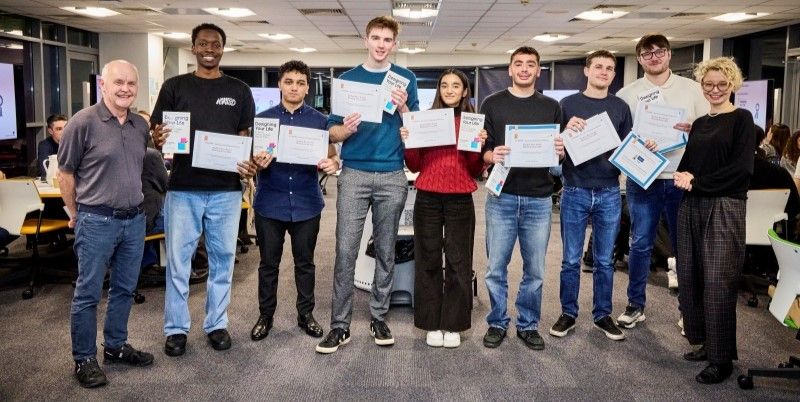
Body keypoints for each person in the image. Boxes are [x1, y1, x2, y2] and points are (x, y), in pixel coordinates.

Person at [151, 23, 265, 356]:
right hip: (183, 188)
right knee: (179, 262)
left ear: (222, 48)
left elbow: (246, 137)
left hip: (226, 191)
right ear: (194, 47)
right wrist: (159, 139)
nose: (209, 49)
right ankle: (175, 329)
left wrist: (249, 162)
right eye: (203, 44)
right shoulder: (175, 86)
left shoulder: (239, 90)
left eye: (215, 44)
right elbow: (160, 132)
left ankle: (216, 324)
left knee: (223, 260)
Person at [315, 15, 419, 354]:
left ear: (394, 44)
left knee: (386, 249)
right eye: (375, 38)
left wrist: (403, 105)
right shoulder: (347, 80)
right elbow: (331, 131)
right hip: (355, 173)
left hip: (392, 175)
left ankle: (378, 315)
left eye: (387, 40)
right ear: (366, 39)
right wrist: (347, 129)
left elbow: (416, 128)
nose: (381, 44)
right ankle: (340, 325)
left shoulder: (406, 78)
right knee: (345, 249)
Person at [57, 60, 153, 388]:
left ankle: (114, 346)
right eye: (118, 82)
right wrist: (74, 211)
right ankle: (83, 358)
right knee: (88, 293)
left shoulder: (141, 125)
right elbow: (65, 173)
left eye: (131, 83)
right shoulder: (81, 123)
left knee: (125, 289)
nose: (125, 88)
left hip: (134, 219)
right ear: (103, 85)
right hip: (96, 220)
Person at [615, 34, 709, 328]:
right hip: (643, 178)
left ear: (669, 55)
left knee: (684, 246)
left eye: (659, 52)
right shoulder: (627, 94)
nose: (654, 57)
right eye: (647, 53)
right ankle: (635, 305)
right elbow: (619, 138)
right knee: (641, 243)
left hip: (681, 179)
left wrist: (694, 129)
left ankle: (687, 311)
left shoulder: (693, 90)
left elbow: (709, 132)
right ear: (640, 58)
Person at [549, 50, 641, 342]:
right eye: (598, 67)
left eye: (610, 68)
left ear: (614, 74)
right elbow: (555, 148)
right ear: (586, 71)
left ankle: (603, 315)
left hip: (610, 191)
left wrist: (633, 151)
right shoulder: (567, 104)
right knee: (571, 259)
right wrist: (565, 131)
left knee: (604, 260)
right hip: (575, 188)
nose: (604, 72)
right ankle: (568, 314)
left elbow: (627, 148)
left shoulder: (620, 107)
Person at [673, 57, 754, 384]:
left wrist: (698, 182)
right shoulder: (702, 123)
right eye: (709, 84)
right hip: (693, 205)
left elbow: (742, 170)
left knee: (719, 284)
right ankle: (706, 344)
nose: (715, 89)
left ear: (732, 84)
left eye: (722, 84)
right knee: (691, 277)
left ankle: (722, 360)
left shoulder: (742, 119)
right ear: (702, 86)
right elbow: (689, 162)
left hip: (724, 207)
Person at [250, 60, 339, 342]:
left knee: (305, 264)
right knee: (268, 265)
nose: (294, 87)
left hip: (306, 203)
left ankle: (306, 315)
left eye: (300, 83)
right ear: (280, 84)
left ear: (307, 88)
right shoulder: (263, 119)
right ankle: (265, 317)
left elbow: (333, 155)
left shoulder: (318, 120)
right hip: (270, 203)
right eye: (289, 81)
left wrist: (331, 163)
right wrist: (256, 162)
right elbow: (251, 160)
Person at [480, 46, 563, 351]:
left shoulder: (552, 106)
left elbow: (559, 149)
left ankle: (528, 324)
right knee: (496, 267)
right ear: (510, 70)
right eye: (519, 64)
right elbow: (481, 147)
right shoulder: (492, 103)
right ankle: (497, 322)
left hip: (539, 199)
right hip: (502, 197)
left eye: (531, 64)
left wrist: (560, 151)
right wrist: (491, 154)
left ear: (538, 70)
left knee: (536, 269)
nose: (525, 69)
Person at [400, 69, 486, 349]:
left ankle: (454, 323)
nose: (449, 90)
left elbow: (474, 169)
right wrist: (408, 140)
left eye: (456, 86)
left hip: (461, 196)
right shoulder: (425, 120)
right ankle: (430, 322)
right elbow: (414, 165)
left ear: (464, 91)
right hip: (427, 195)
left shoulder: (471, 121)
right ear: (439, 90)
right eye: (444, 85)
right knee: (428, 258)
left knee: (459, 261)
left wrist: (478, 146)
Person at [38, 114, 67, 179]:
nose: (64, 132)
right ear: (50, 131)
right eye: (59, 129)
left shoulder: (74, 143)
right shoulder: (44, 145)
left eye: (66, 128)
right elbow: (45, 171)